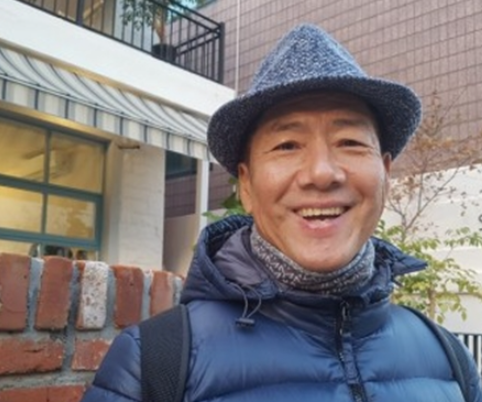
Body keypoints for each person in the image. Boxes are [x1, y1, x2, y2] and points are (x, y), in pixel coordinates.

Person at [81, 24, 482, 402]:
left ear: (386, 173)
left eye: (350, 141)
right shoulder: (152, 364)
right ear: (247, 186)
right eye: (287, 145)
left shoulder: (449, 360)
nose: (322, 173)